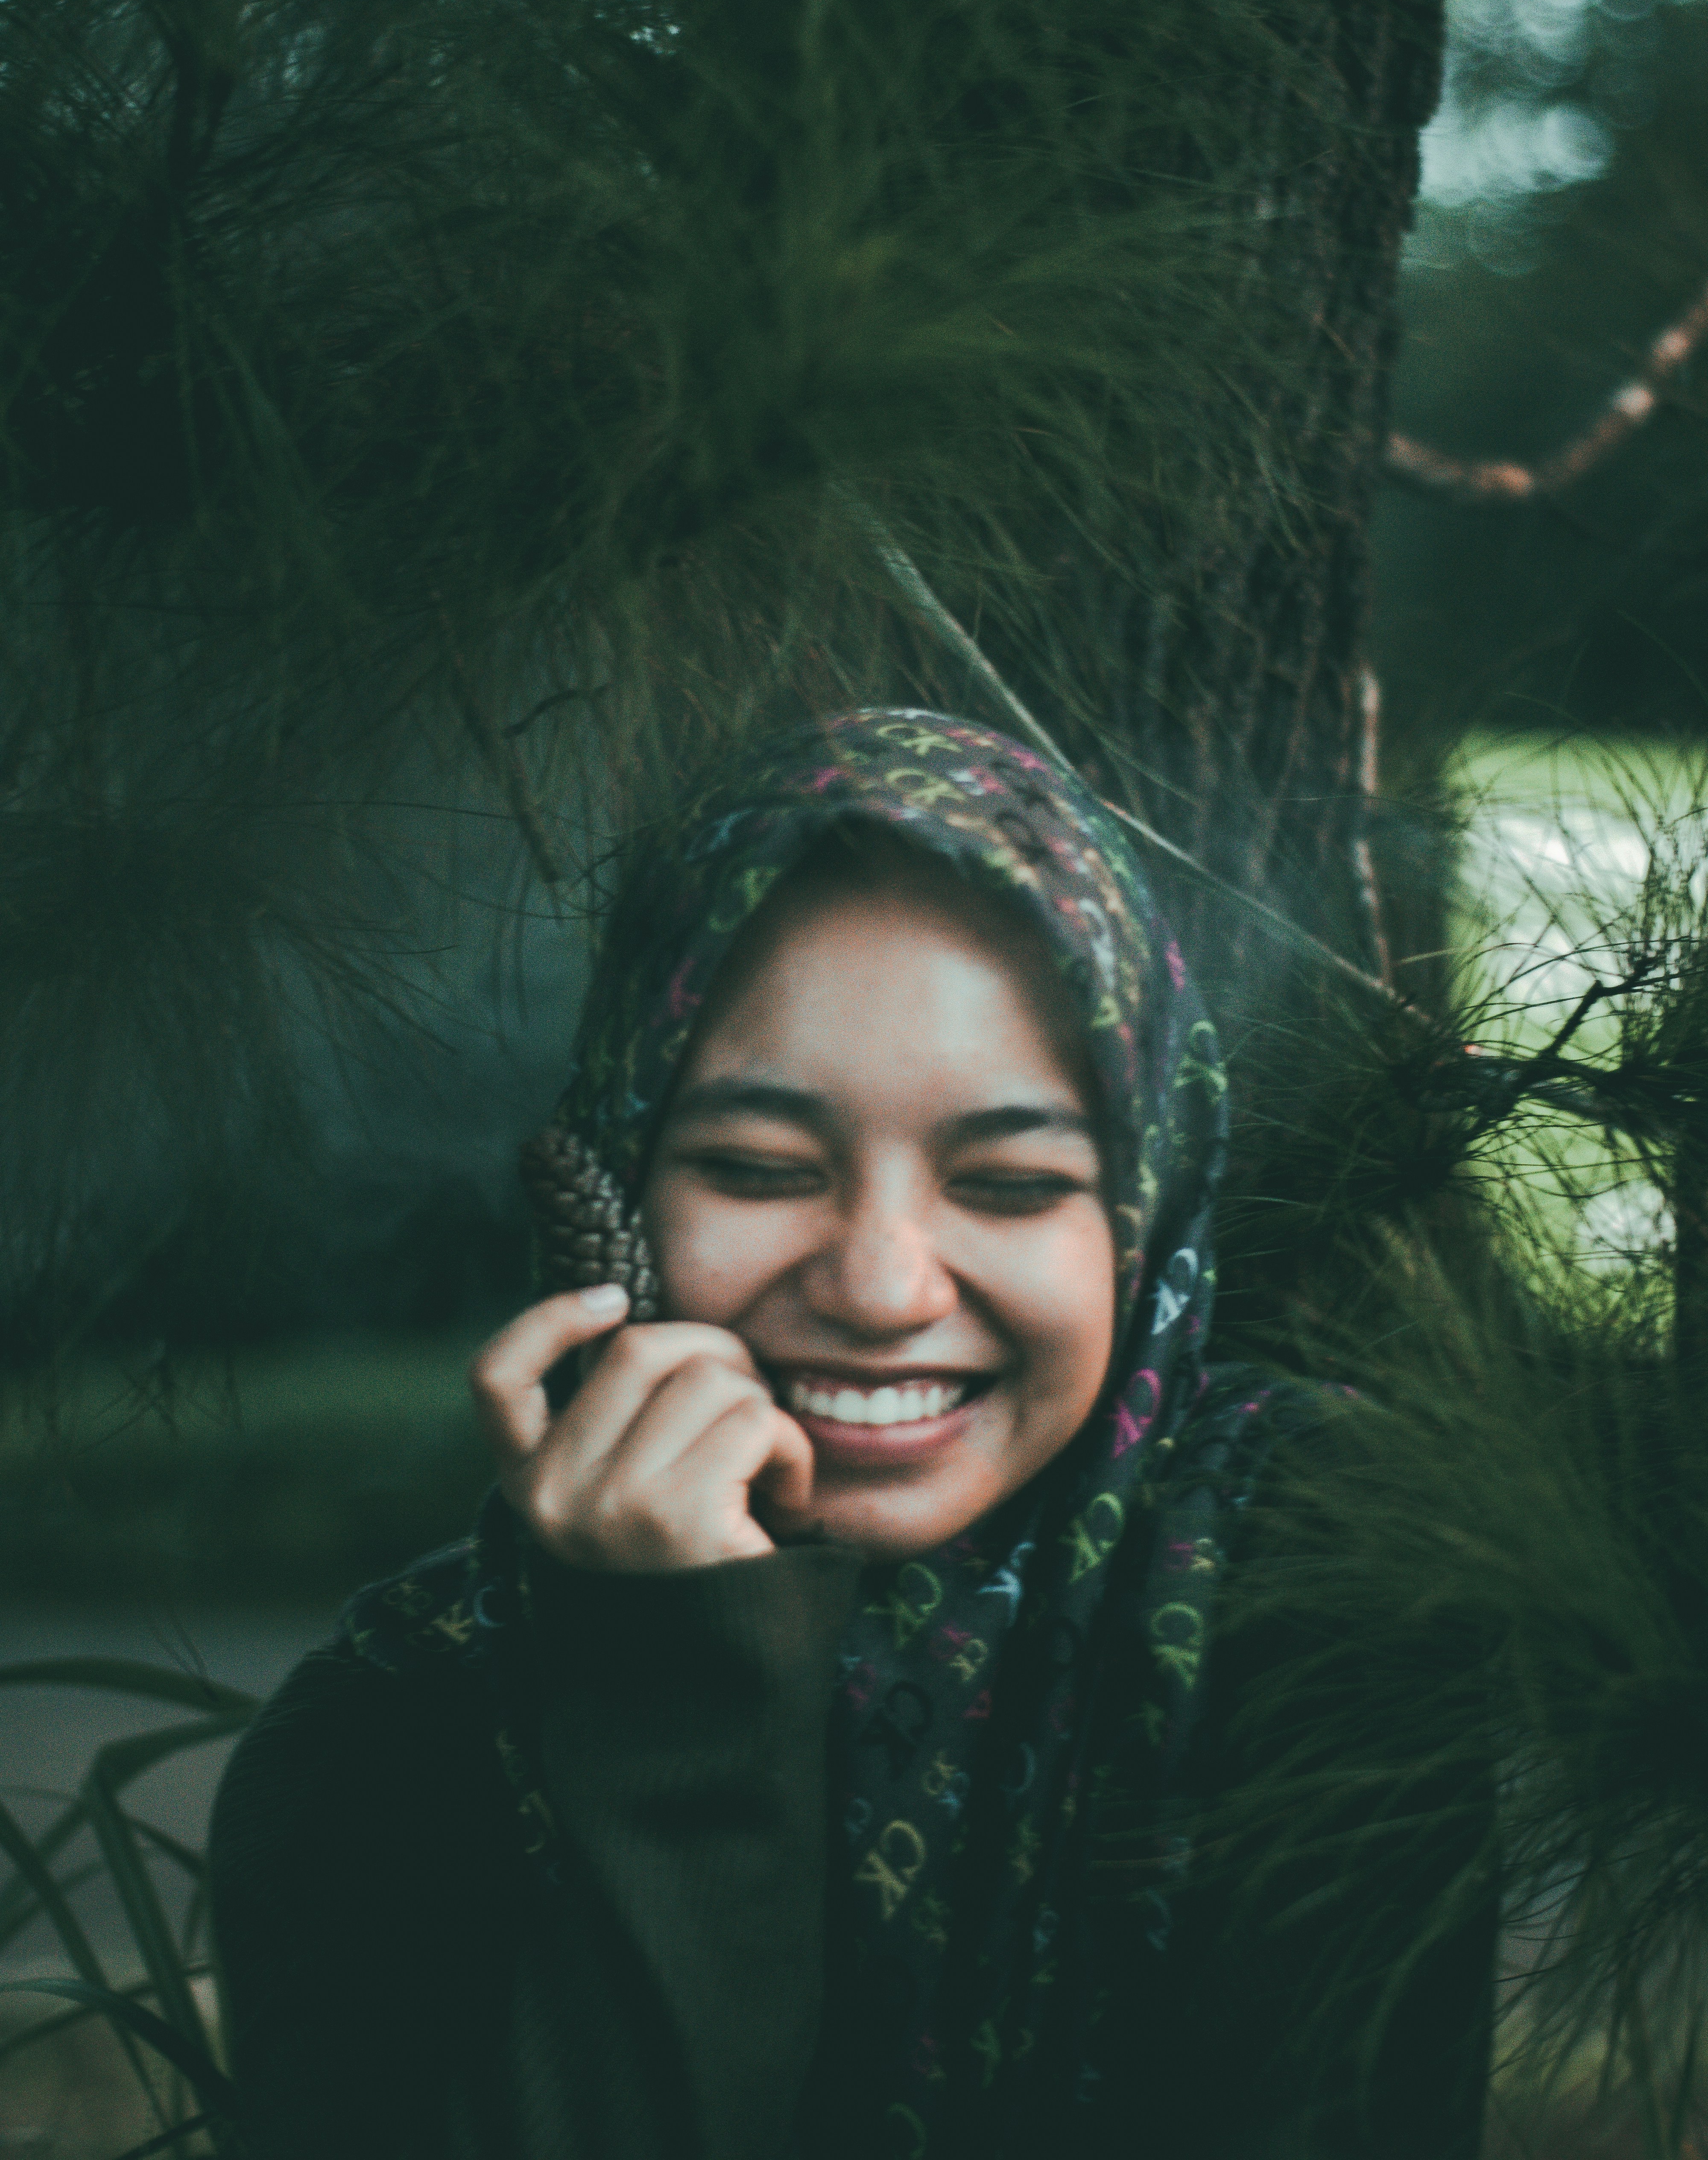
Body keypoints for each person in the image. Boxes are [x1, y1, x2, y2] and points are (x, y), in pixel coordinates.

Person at [209, 709, 1492, 2160]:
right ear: (615, 1192)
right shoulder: (392, 1728)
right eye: (759, 1169)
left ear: (1141, 1226)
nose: (883, 1286)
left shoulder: (1312, 1582)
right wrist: (675, 1696)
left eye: (1010, 1183)